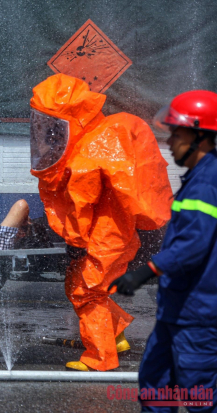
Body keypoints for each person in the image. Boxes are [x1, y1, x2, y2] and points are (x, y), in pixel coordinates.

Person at [29, 74, 172, 371]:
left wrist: (74, 243)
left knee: (87, 290)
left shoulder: (91, 151)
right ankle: (112, 334)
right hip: (110, 228)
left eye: (54, 127)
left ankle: (100, 357)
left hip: (109, 232)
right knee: (76, 283)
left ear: (73, 120)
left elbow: (81, 207)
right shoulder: (94, 139)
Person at [110, 90, 217, 411]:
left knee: (200, 395)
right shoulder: (198, 178)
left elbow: (193, 245)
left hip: (197, 315)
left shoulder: (207, 183)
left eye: (177, 134)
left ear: (201, 136)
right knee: (156, 383)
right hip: (178, 311)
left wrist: (145, 272)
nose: (169, 142)